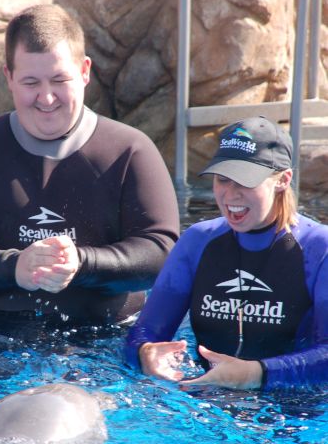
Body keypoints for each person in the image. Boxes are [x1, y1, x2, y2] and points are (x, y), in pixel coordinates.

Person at [0, 3, 179, 326]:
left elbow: (163, 253)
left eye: (59, 80)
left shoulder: (130, 151)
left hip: (104, 340)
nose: (47, 98)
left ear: (85, 71)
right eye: (31, 83)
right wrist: (11, 268)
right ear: (8, 77)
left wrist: (83, 262)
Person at [125, 116, 328, 389]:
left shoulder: (318, 250)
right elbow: (143, 333)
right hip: (203, 404)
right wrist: (145, 353)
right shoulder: (197, 242)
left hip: (291, 412)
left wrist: (255, 374)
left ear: (283, 180)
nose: (230, 194)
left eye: (245, 181)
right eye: (222, 179)